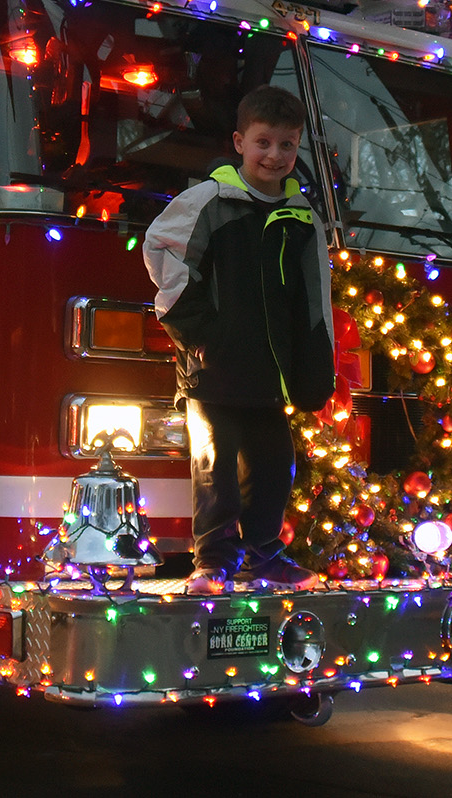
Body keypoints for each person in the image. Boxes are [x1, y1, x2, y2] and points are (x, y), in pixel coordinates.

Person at [145, 84, 334, 595]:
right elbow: (163, 254)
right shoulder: (207, 201)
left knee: (274, 467)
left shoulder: (301, 219)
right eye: (263, 142)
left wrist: (315, 363)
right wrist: (199, 332)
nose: (275, 155)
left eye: (287, 145)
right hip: (213, 372)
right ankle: (213, 564)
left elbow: (315, 296)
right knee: (216, 469)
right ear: (239, 142)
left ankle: (264, 558)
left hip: (269, 376)